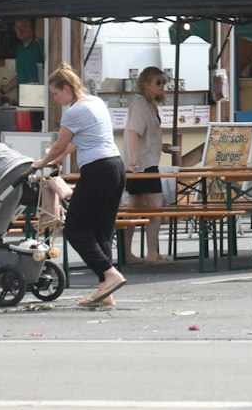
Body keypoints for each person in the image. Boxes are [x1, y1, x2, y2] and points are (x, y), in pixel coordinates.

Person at [40, 67, 127, 308]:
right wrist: (57, 158)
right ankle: (104, 291)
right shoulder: (96, 102)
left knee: (75, 229)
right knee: (101, 231)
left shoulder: (74, 112)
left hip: (97, 170)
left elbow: (59, 145)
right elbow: (78, 142)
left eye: (56, 94)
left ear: (67, 89)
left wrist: (42, 162)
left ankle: (110, 274)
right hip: (116, 167)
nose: (56, 100)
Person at [122, 66, 175, 266]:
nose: (162, 86)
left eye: (163, 82)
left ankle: (128, 253)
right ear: (145, 84)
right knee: (155, 208)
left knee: (134, 208)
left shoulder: (148, 105)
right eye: (158, 82)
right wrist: (135, 158)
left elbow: (143, 135)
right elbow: (133, 132)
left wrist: (161, 146)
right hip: (143, 165)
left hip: (142, 162)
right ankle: (152, 253)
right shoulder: (140, 105)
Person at [11, 19, 46, 87]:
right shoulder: (20, 49)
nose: (20, 30)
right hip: (22, 95)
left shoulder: (40, 46)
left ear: (31, 27)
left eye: (23, 26)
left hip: (38, 93)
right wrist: (2, 91)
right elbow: (20, 76)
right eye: (17, 28)